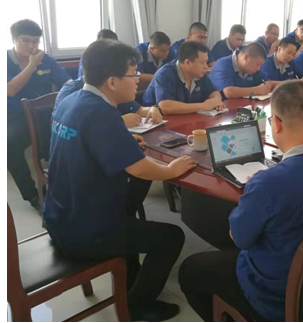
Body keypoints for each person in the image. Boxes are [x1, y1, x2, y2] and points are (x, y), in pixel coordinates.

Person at [178, 80, 303, 322]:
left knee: (190, 270)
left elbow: (239, 239)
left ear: (276, 124)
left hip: (281, 298)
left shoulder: (268, 183)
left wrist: (254, 193)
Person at [43, 39, 197, 321]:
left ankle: (130, 275)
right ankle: (138, 305)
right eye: (133, 74)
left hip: (58, 214)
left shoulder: (72, 100)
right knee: (172, 237)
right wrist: (171, 170)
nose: (138, 80)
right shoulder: (101, 113)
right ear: (112, 82)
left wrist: (122, 140)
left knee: (130, 205)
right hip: (82, 229)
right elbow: (140, 169)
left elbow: (89, 144)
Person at [7, 19, 72, 211]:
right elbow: (9, 90)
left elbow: (66, 81)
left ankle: (66, 184)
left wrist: (73, 87)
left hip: (45, 114)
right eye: (25, 40)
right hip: (15, 116)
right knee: (9, 146)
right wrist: (31, 66)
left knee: (70, 134)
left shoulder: (46, 59)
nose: (31, 46)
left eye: (35, 41)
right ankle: (33, 195)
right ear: (14, 39)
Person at [143, 41, 225, 114]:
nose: (206, 67)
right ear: (187, 63)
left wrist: (216, 101)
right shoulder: (165, 74)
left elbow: (214, 92)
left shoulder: (199, 73)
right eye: (203, 62)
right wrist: (202, 106)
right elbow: (165, 107)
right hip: (156, 121)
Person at [55, 78, 162, 128]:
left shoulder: (109, 88)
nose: (136, 80)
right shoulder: (71, 93)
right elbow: (78, 129)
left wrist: (152, 109)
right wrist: (119, 122)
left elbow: (138, 110)